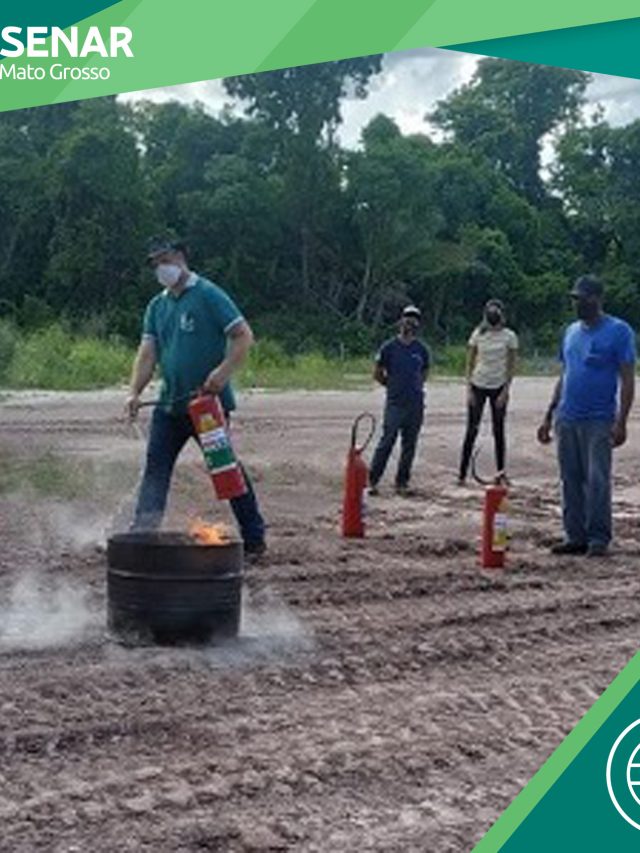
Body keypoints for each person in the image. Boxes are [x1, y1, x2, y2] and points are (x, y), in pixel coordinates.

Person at [127, 237, 266, 557]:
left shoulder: (209, 295)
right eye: (155, 264)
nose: (160, 268)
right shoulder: (157, 306)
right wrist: (134, 391)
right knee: (156, 471)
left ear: (180, 258)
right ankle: (143, 534)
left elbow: (243, 336)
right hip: (169, 406)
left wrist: (222, 373)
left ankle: (254, 537)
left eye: (164, 260)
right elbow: (147, 352)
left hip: (206, 407)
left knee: (225, 469)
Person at [537, 275, 635, 557]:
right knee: (569, 479)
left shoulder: (619, 331)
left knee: (597, 480)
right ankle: (575, 536)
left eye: (582, 299)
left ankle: (598, 538)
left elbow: (627, 379)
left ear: (597, 299)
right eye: (575, 299)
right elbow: (565, 374)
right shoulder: (570, 332)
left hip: (599, 418)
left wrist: (621, 421)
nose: (577, 304)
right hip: (567, 416)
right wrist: (549, 414)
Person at [368, 305, 430, 496]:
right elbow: (377, 372)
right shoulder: (388, 347)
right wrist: (391, 385)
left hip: (415, 403)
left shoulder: (422, 349)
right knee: (387, 441)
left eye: (414, 318)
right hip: (395, 403)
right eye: (407, 317)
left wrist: (415, 387)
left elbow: (424, 373)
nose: (410, 321)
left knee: (409, 444)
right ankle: (372, 480)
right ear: (401, 320)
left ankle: (402, 482)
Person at [458, 299, 518, 485]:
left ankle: (501, 472)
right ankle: (462, 474)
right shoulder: (478, 334)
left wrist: (506, 391)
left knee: (498, 430)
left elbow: (511, 365)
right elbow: (469, 362)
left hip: (498, 386)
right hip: (478, 384)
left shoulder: (509, 336)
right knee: (471, 429)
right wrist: (469, 390)